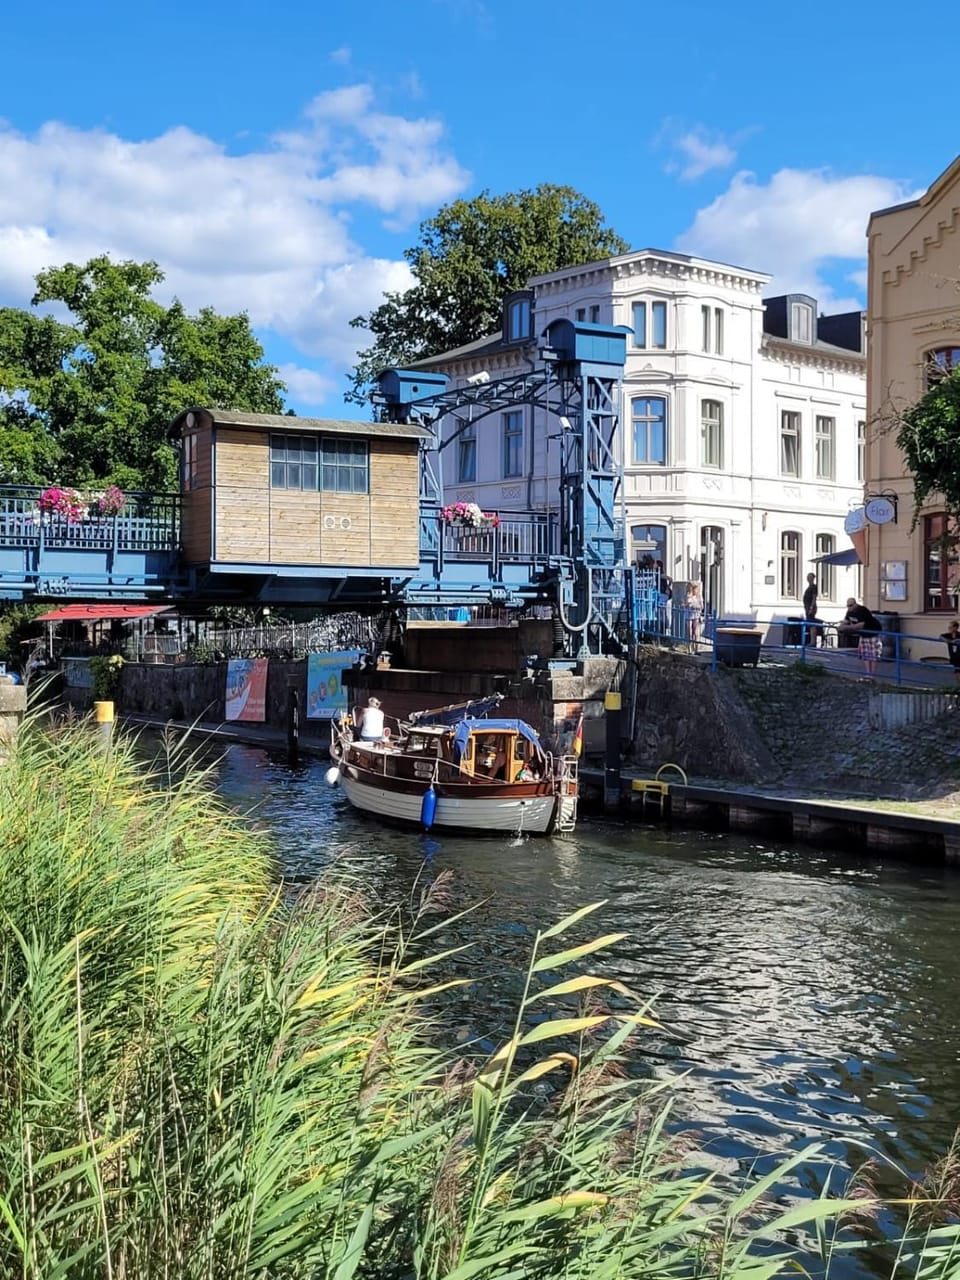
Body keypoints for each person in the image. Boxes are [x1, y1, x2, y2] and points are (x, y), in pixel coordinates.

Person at [838, 598, 882, 676]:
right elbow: (846, 620)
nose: (849, 607)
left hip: (872, 632)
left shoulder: (862, 610)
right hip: (863, 634)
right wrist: (841, 626)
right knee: (866, 654)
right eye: (847, 606)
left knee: (874, 654)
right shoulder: (849, 612)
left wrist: (846, 628)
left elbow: (860, 625)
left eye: (851, 605)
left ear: (855, 604)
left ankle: (872, 675)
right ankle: (868, 673)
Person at [802, 573, 819, 646]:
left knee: (812, 624)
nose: (808, 578)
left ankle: (813, 641)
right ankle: (812, 641)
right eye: (807, 577)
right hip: (807, 607)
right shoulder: (809, 587)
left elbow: (814, 597)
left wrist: (812, 607)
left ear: (813, 578)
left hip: (810, 608)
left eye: (810, 577)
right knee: (810, 623)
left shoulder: (814, 587)